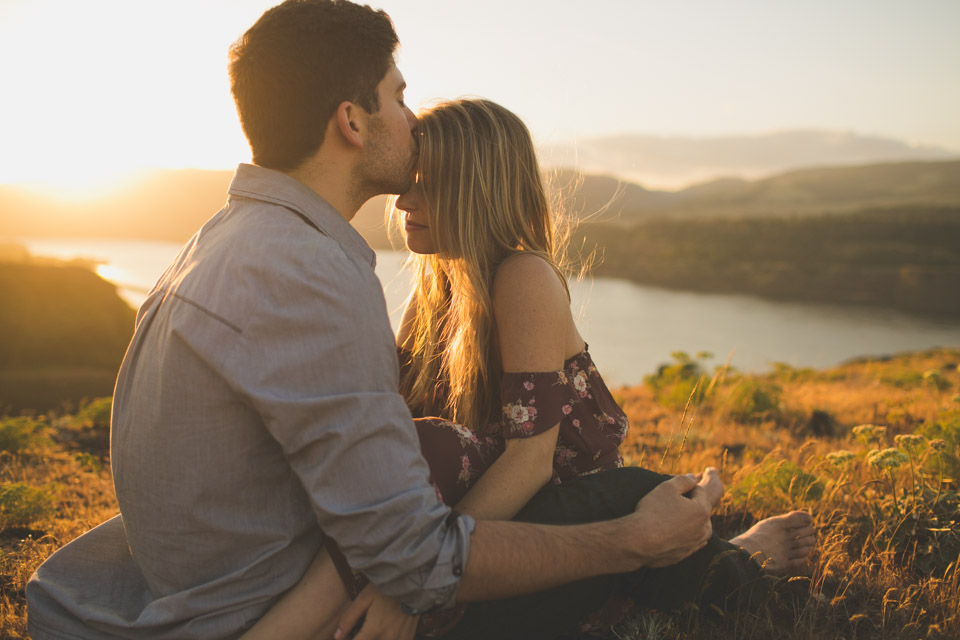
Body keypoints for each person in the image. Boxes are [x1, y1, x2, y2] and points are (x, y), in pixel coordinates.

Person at [25, 2, 755, 639]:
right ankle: (731, 562)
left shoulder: (228, 240)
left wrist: (406, 570)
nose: (410, 125)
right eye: (399, 98)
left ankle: (737, 558)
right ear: (351, 120)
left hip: (278, 572)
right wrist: (629, 541)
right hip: (266, 601)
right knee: (629, 505)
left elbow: (428, 479)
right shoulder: (306, 275)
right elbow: (415, 549)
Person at [240, 99, 817, 639]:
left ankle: (747, 554)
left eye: (425, 185)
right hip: (484, 531)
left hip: (566, 516)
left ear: (474, 189)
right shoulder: (434, 290)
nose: (402, 202)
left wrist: (416, 578)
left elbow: (529, 463)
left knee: (429, 449)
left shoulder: (523, 277)